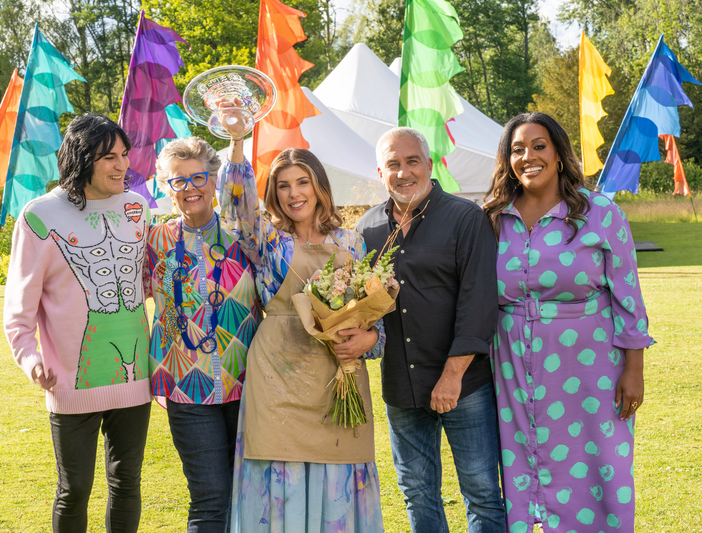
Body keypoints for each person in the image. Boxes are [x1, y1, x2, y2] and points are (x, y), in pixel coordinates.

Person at [483, 112, 653, 533]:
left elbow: (628, 296)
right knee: (524, 461)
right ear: (507, 160)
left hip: (589, 369)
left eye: (539, 146)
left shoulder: (600, 213)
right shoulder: (491, 218)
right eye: (517, 149)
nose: (529, 157)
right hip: (511, 367)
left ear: (558, 154)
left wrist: (634, 370)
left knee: (598, 461)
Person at [218, 116, 385, 532]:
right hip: (277, 375)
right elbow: (236, 203)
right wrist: (238, 139)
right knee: (282, 484)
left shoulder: (352, 242)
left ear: (320, 187)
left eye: (302, 182)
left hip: (339, 375)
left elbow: (371, 312)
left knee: (340, 476)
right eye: (283, 185)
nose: (294, 194)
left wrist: (368, 338)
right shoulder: (265, 240)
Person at [3, 114, 152, 533]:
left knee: (127, 483)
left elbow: (150, 280)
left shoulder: (138, 207)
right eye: (108, 157)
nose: (121, 165)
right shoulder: (40, 216)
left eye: (124, 154)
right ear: (82, 160)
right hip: (70, 381)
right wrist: (31, 360)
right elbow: (19, 308)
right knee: (76, 489)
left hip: (136, 378)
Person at [356, 126, 505, 532]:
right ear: (379, 172)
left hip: (465, 385)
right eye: (393, 164)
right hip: (401, 388)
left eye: (411, 161)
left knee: (482, 493)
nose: (403, 172)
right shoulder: (367, 229)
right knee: (417, 491)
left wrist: (452, 376)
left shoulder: (465, 218)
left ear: (430, 164)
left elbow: (478, 303)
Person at [145, 136, 261, 533]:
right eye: (179, 181)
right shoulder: (153, 241)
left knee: (251, 495)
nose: (190, 187)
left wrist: (236, 139)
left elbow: (243, 192)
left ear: (214, 181)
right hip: (186, 388)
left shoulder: (243, 234)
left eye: (199, 177)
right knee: (210, 499)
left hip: (249, 384)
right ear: (166, 186)